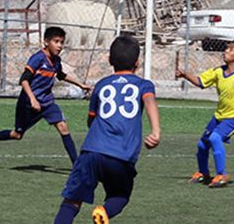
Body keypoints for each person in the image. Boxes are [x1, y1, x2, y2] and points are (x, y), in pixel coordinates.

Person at [54, 35, 160, 224]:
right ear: (137, 62)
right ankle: (103, 212)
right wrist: (156, 131)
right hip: (121, 155)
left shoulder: (101, 85)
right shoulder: (144, 85)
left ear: (110, 60)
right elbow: (150, 101)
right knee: (119, 196)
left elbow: (91, 119)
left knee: (72, 201)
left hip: (91, 151)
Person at [0, 27, 91, 164]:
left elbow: (61, 75)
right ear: (46, 42)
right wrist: (33, 99)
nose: (59, 46)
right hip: (27, 103)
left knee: (63, 127)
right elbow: (24, 80)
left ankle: (76, 165)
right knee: (17, 134)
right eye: (56, 41)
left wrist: (80, 85)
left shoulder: (56, 60)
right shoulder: (38, 58)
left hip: (47, 102)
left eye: (62, 42)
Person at [176, 39, 234, 188]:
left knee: (215, 137)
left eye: (230, 50)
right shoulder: (218, 72)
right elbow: (200, 82)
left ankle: (221, 175)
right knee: (202, 145)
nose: (225, 51)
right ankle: (203, 173)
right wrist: (186, 75)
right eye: (226, 49)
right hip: (218, 117)